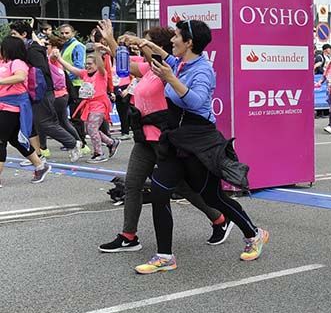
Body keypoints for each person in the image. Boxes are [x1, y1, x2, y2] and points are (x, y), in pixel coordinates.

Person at [137, 19, 269, 274]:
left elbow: (197, 102)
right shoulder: (181, 62)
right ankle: (165, 256)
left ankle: (254, 234)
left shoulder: (202, 70)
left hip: (198, 140)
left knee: (212, 196)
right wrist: (145, 44)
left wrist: (171, 80)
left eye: (176, 36)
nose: (172, 40)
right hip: (176, 139)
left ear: (189, 43)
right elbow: (166, 58)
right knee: (159, 191)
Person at [94, 22, 230, 253]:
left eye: (147, 42)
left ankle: (219, 218)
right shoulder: (149, 69)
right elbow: (126, 64)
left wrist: (142, 44)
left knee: (183, 187)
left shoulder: (168, 71)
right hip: (144, 137)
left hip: (163, 138)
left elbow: (187, 93)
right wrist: (111, 40)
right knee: (132, 184)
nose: (140, 46)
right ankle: (129, 236)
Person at [8, 21, 81, 162]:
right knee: (35, 124)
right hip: (35, 92)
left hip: (42, 91)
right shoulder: (29, 47)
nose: (12, 37)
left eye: (14, 34)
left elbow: (41, 71)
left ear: (23, 35)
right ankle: (37, 155)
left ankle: (73, 143)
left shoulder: (32, 50)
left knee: (46, 123)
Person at [0, 36, 50, 186]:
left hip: (13, 107)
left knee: (1, 141)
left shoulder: (18, 63)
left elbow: (20, 77)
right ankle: (40, 166)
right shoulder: (4, 63)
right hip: (3, 105)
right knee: (15, 139)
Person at [60, 45, 120, 163]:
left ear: (97, 65)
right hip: (89, 105)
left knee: (92, 129)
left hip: (100, 105)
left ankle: (99, 153)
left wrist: (97, 51)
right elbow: (70, 68)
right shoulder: (84, 74)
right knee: (90, 129)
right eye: (86, 64)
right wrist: (58, 59)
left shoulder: (101, 74)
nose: (87, 66)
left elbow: (101, 64)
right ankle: (112, 142)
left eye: (90, 64)